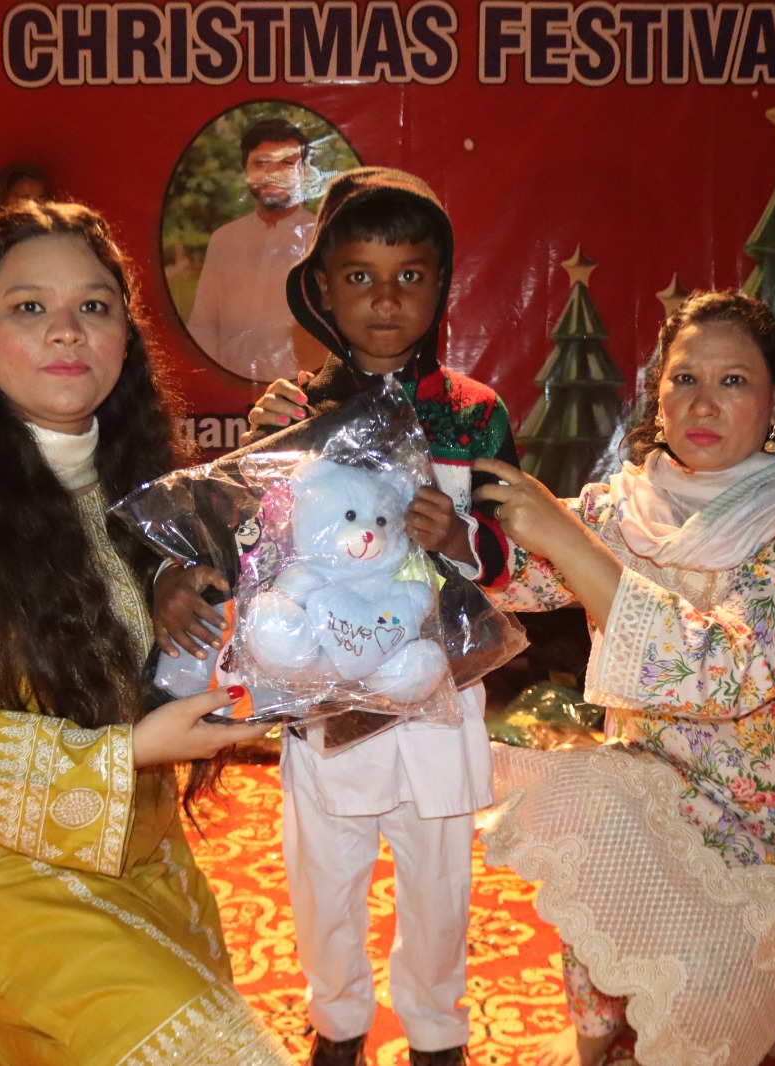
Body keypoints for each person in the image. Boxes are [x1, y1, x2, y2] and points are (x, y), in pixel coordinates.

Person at [0, 201, 295, 1066]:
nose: (67, 331)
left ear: (125, 339)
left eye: (94, 306)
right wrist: (128, 751)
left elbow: (163, 669)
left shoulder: (139, 484)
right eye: (29, 306)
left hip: (134, 846)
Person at [468, 291, 775, 1066]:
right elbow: (512, 572)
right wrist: (403, 503)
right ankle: (593, 1028)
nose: (704, 403)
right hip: (664, 786)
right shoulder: (635, 504)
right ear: (658, 395)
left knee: (698, 1031)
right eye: (685, 379)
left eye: (733, 381)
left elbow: (723, 672)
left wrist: (568, 539)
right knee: (595, 800)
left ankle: (744, 979)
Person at [179, 167, 520, 1066]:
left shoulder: (474, 416)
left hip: (438, 690)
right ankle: (336, 1024)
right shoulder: (293, 414)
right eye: (360, 275)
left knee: (440, 885)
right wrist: (264, 454)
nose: (386, 299)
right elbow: (257, 550)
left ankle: (438, 1032)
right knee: (323, 877)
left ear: (441, 286)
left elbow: (516, 557)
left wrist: (460, 537)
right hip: (328, 697)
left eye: (411, 276)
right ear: (322, 288)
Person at [187, 117, 325, 382]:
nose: (273, 174)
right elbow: (203, 325)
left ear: (304, 173)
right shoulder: (224, 239)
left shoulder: (324, 239)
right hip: (226, 393)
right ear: (246, 171)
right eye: (261, 163)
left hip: (303, 392)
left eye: (287, 164)